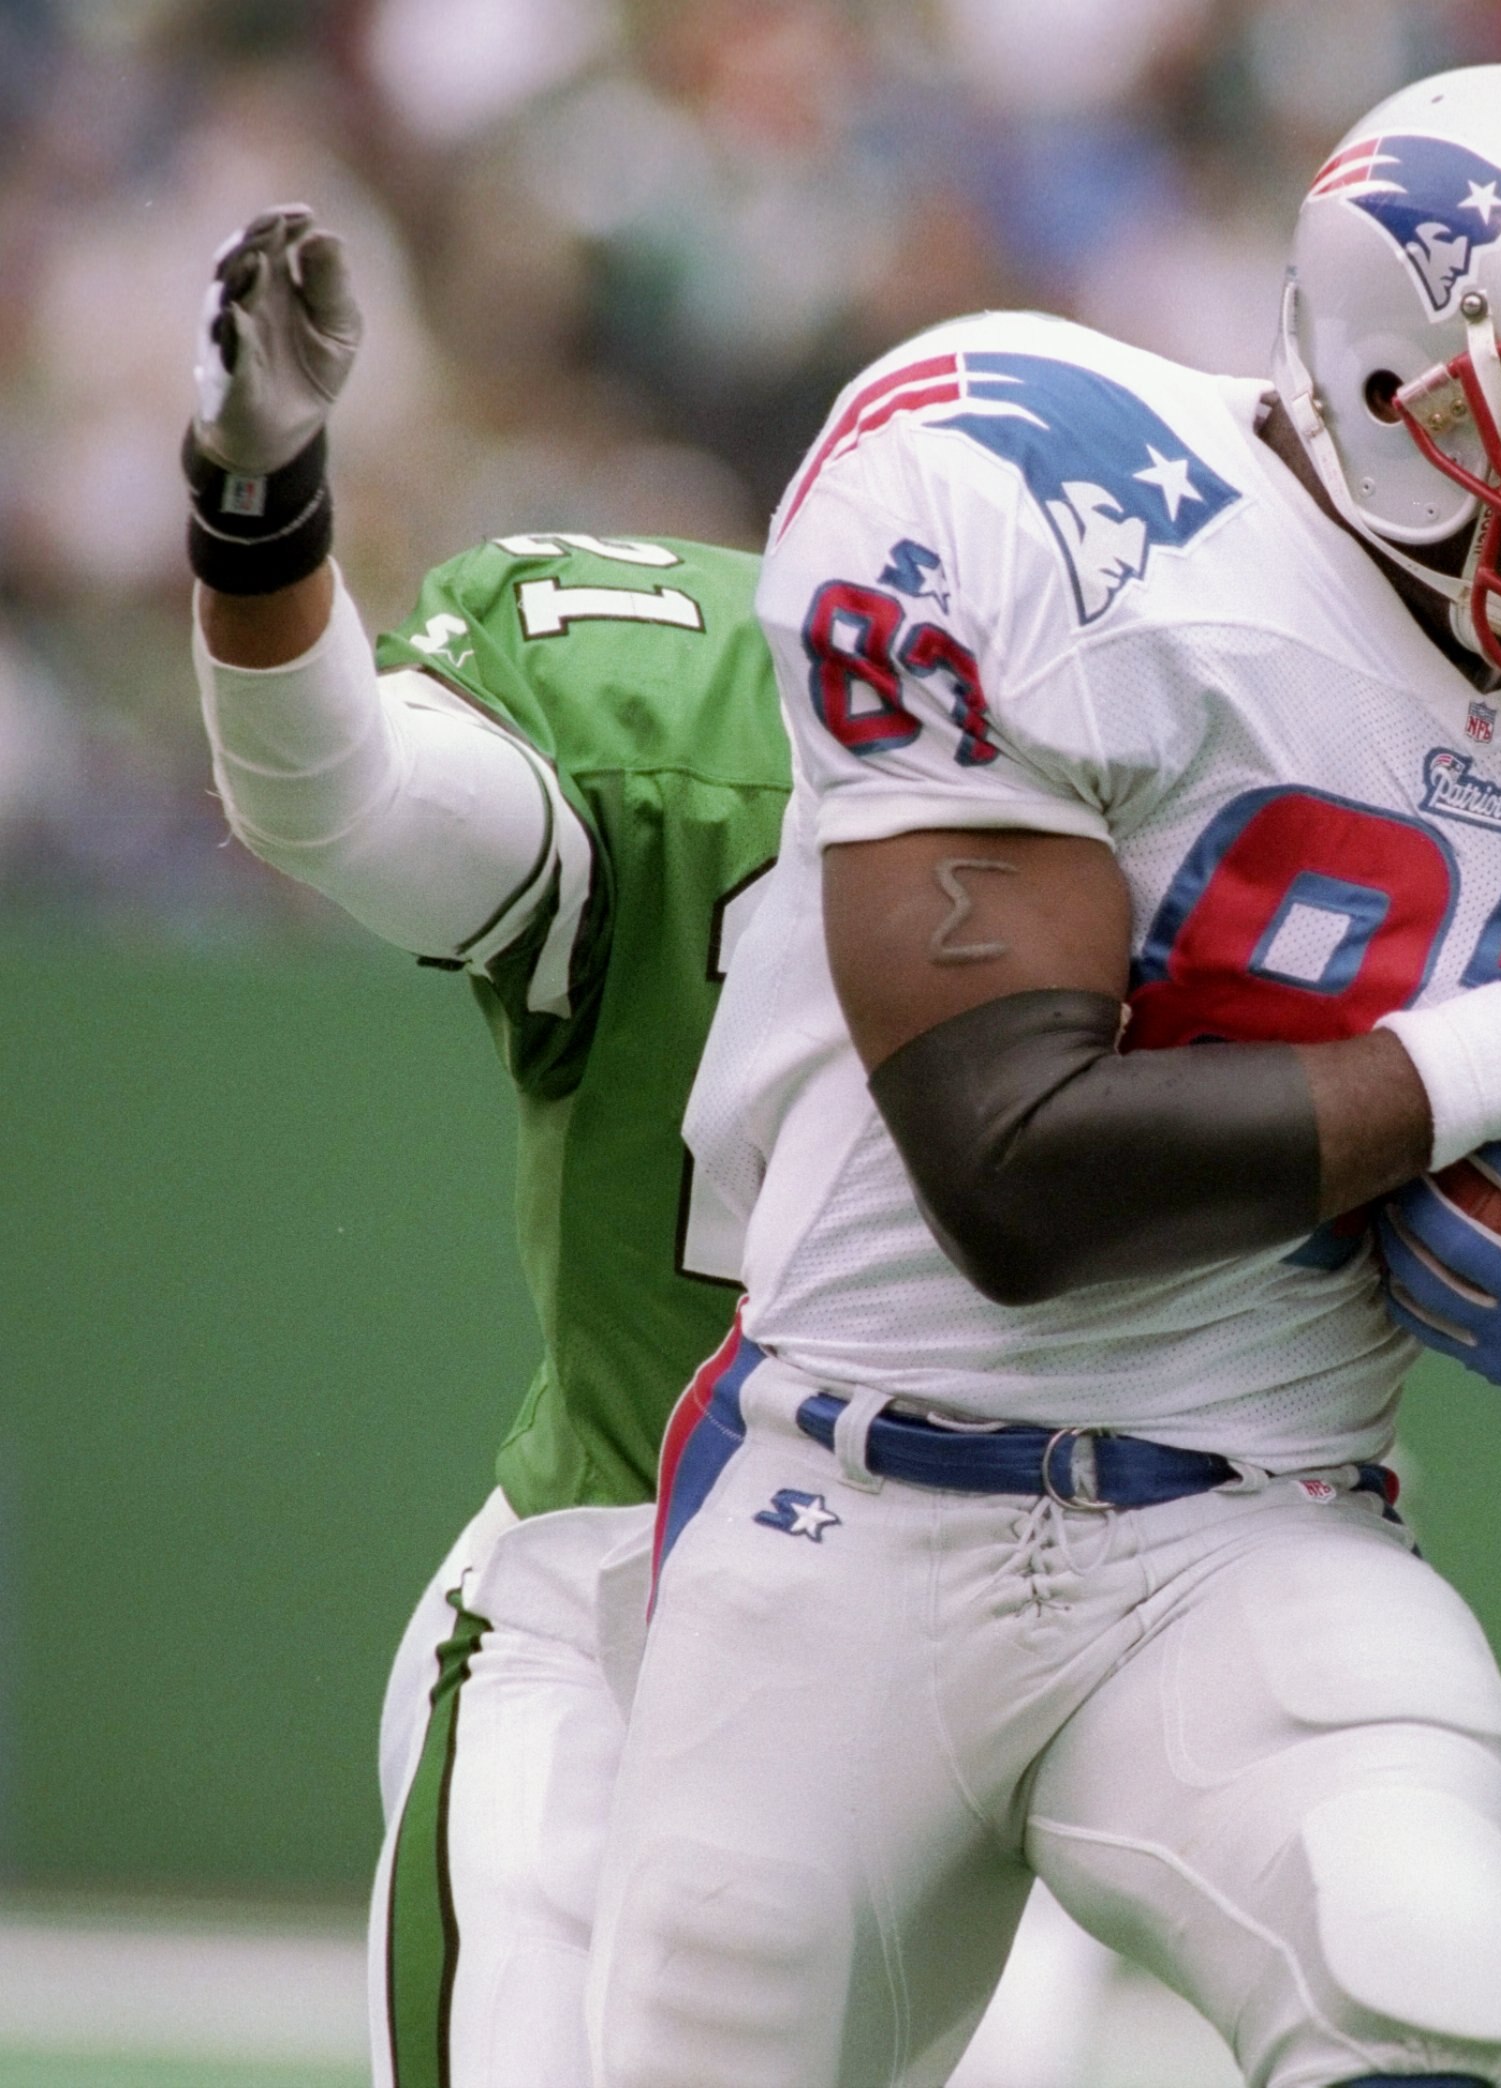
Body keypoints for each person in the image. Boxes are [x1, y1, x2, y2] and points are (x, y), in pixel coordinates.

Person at [595, 62, 1501, 2088]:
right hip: (852, 1494)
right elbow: (1017, 1178)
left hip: (1260, 1523)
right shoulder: (1039, 500)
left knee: (1425, 1971)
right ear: (1400, 374)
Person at [178, 207, 1117, 2088]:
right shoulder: (681, 737)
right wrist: (261, 511)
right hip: (616, 1598)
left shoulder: (1226, 811)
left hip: (993, 1649)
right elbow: (339, 796)